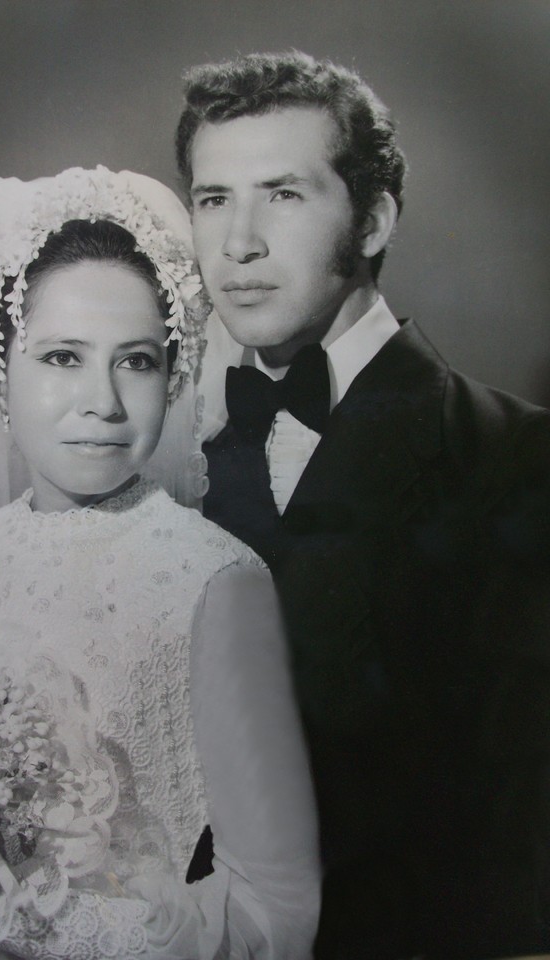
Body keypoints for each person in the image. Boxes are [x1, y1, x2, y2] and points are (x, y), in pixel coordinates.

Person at [0, 166, 320, 959]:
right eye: (61, 357)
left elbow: (280, 898)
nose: (103, 400)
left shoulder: (214, 579)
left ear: (173, 374)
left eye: (136, 360)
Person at [176, 51, 550, 959]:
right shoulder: (159, 448)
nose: (240, 244)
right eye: (214, 198)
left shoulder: (521, 459)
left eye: (285, 195)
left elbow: (523, 863)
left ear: (374, 220)